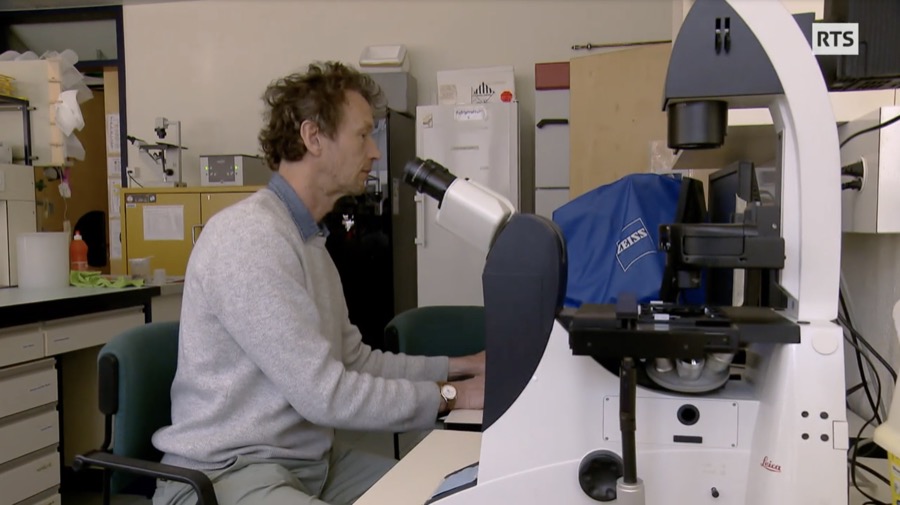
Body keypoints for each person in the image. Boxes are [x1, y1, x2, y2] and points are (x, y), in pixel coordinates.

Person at [151, 61, 486, 505]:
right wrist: (452, 396)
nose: (375, 152)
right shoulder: (249, 238)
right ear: (313, 138)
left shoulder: (310, 242)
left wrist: (461, 366)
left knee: (450, 495)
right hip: (228, 473)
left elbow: (353, 361)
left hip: (309, 465)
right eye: (363, 135)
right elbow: (326, 393)